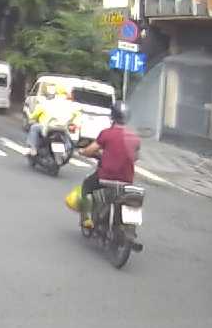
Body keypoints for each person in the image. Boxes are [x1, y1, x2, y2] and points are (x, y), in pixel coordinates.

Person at [77, 100, 140, 229]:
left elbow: (90, 150)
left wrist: (82, 151)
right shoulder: (135, 138)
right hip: (127, 180)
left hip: (105, 178)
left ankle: (86, 219)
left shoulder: (106, 133)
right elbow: (135, 158)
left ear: (112, 116)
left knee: (86, 186)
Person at [25, 84, 77, 160]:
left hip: (48, 127)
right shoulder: (71, 105)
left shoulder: (46, 103)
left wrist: (29, 115)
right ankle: (67, 150)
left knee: (34, 127)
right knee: (67, 137)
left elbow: (33, 116)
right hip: (63, 128)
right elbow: (75, 116)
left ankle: (33, 148)